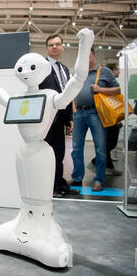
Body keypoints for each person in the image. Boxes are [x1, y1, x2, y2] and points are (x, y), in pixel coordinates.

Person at [70, 47, 121, 192]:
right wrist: (74, 109)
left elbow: (117, 90)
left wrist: (100, 89)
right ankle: (77, 178)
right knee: (76, 148)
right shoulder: (79, 74)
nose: (85, 60)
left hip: (96, 113)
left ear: (94, 56)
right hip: (79, 113)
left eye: (88, 56)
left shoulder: (104, 71)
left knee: (100, 148)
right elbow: (73, 92)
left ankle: (99, 180)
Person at [38, 34, 79, 196]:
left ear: (62, 47)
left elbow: (67, 94)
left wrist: (69, 117)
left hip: (61, 117)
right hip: (47, 117)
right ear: (47, 48)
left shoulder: (65, 69)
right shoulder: (42, 67)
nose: (54, 47)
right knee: (46, 153)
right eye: (51, 45)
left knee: (59, 152)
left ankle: (59, 184)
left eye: (57, 44)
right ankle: (46, 186)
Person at [87, 62, 122, 176]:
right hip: (106, 116)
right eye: (117, 69)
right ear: (111, 70)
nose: (119, 71)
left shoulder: (109, 83)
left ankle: (107, 165)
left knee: (109, 142)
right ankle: (96, 162)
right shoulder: (106, 84)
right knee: (109, 142)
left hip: (109, 116)